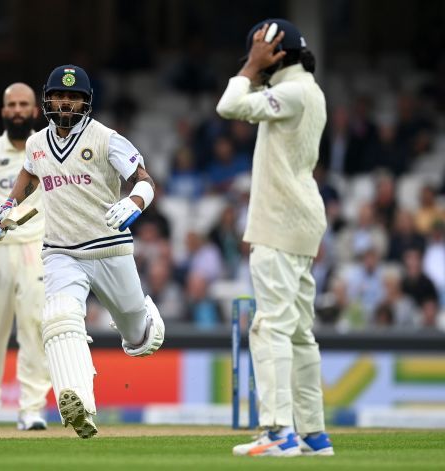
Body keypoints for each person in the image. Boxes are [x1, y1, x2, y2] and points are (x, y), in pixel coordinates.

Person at [0, 65, 165, 439]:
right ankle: (79, 401)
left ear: (86, 102)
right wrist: (5, 205)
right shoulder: (36, 144)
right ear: (47, 100)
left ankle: (143, 319)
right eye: (59, 96)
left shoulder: (107, 138)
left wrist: (135, 202)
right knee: (59, 318)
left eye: (74, 97)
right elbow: (30, 176)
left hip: (110, 249)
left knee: (140, 340)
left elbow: (145, 180)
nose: (65, 102)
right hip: (61, 252)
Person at [216, 19, 333, 456]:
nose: (255, 62)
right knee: (300, 332)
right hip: (300, 219)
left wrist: (250, 66)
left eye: (261, 54)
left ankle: (279, 431)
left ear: (276, 54)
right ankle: (314, 435)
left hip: (281, 221)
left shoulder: (293, 92)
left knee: (269, 327)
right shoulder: (309, 90)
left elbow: (228, 107)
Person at [0, 83, 51, 431]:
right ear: (4, 111)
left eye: (24, 105)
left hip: (37, 251)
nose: (17, 110)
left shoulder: (47, 150)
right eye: (11, 105)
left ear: (35, 111)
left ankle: (32, 408)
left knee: (35, 328)